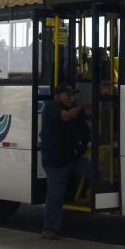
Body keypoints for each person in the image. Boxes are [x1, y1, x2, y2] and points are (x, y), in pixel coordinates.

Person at [39, 83, 91, 239]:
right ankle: (49, 229)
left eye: (72, 95)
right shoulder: (52, 107)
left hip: (71, 157)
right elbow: (66, 116)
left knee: (95, 172)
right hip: (56, 161)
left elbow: (84, 122)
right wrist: (81, 107)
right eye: (67, 95)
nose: (71, 98)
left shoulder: (72, 108)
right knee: (55, 195)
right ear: (57, 96)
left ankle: (89, 199)